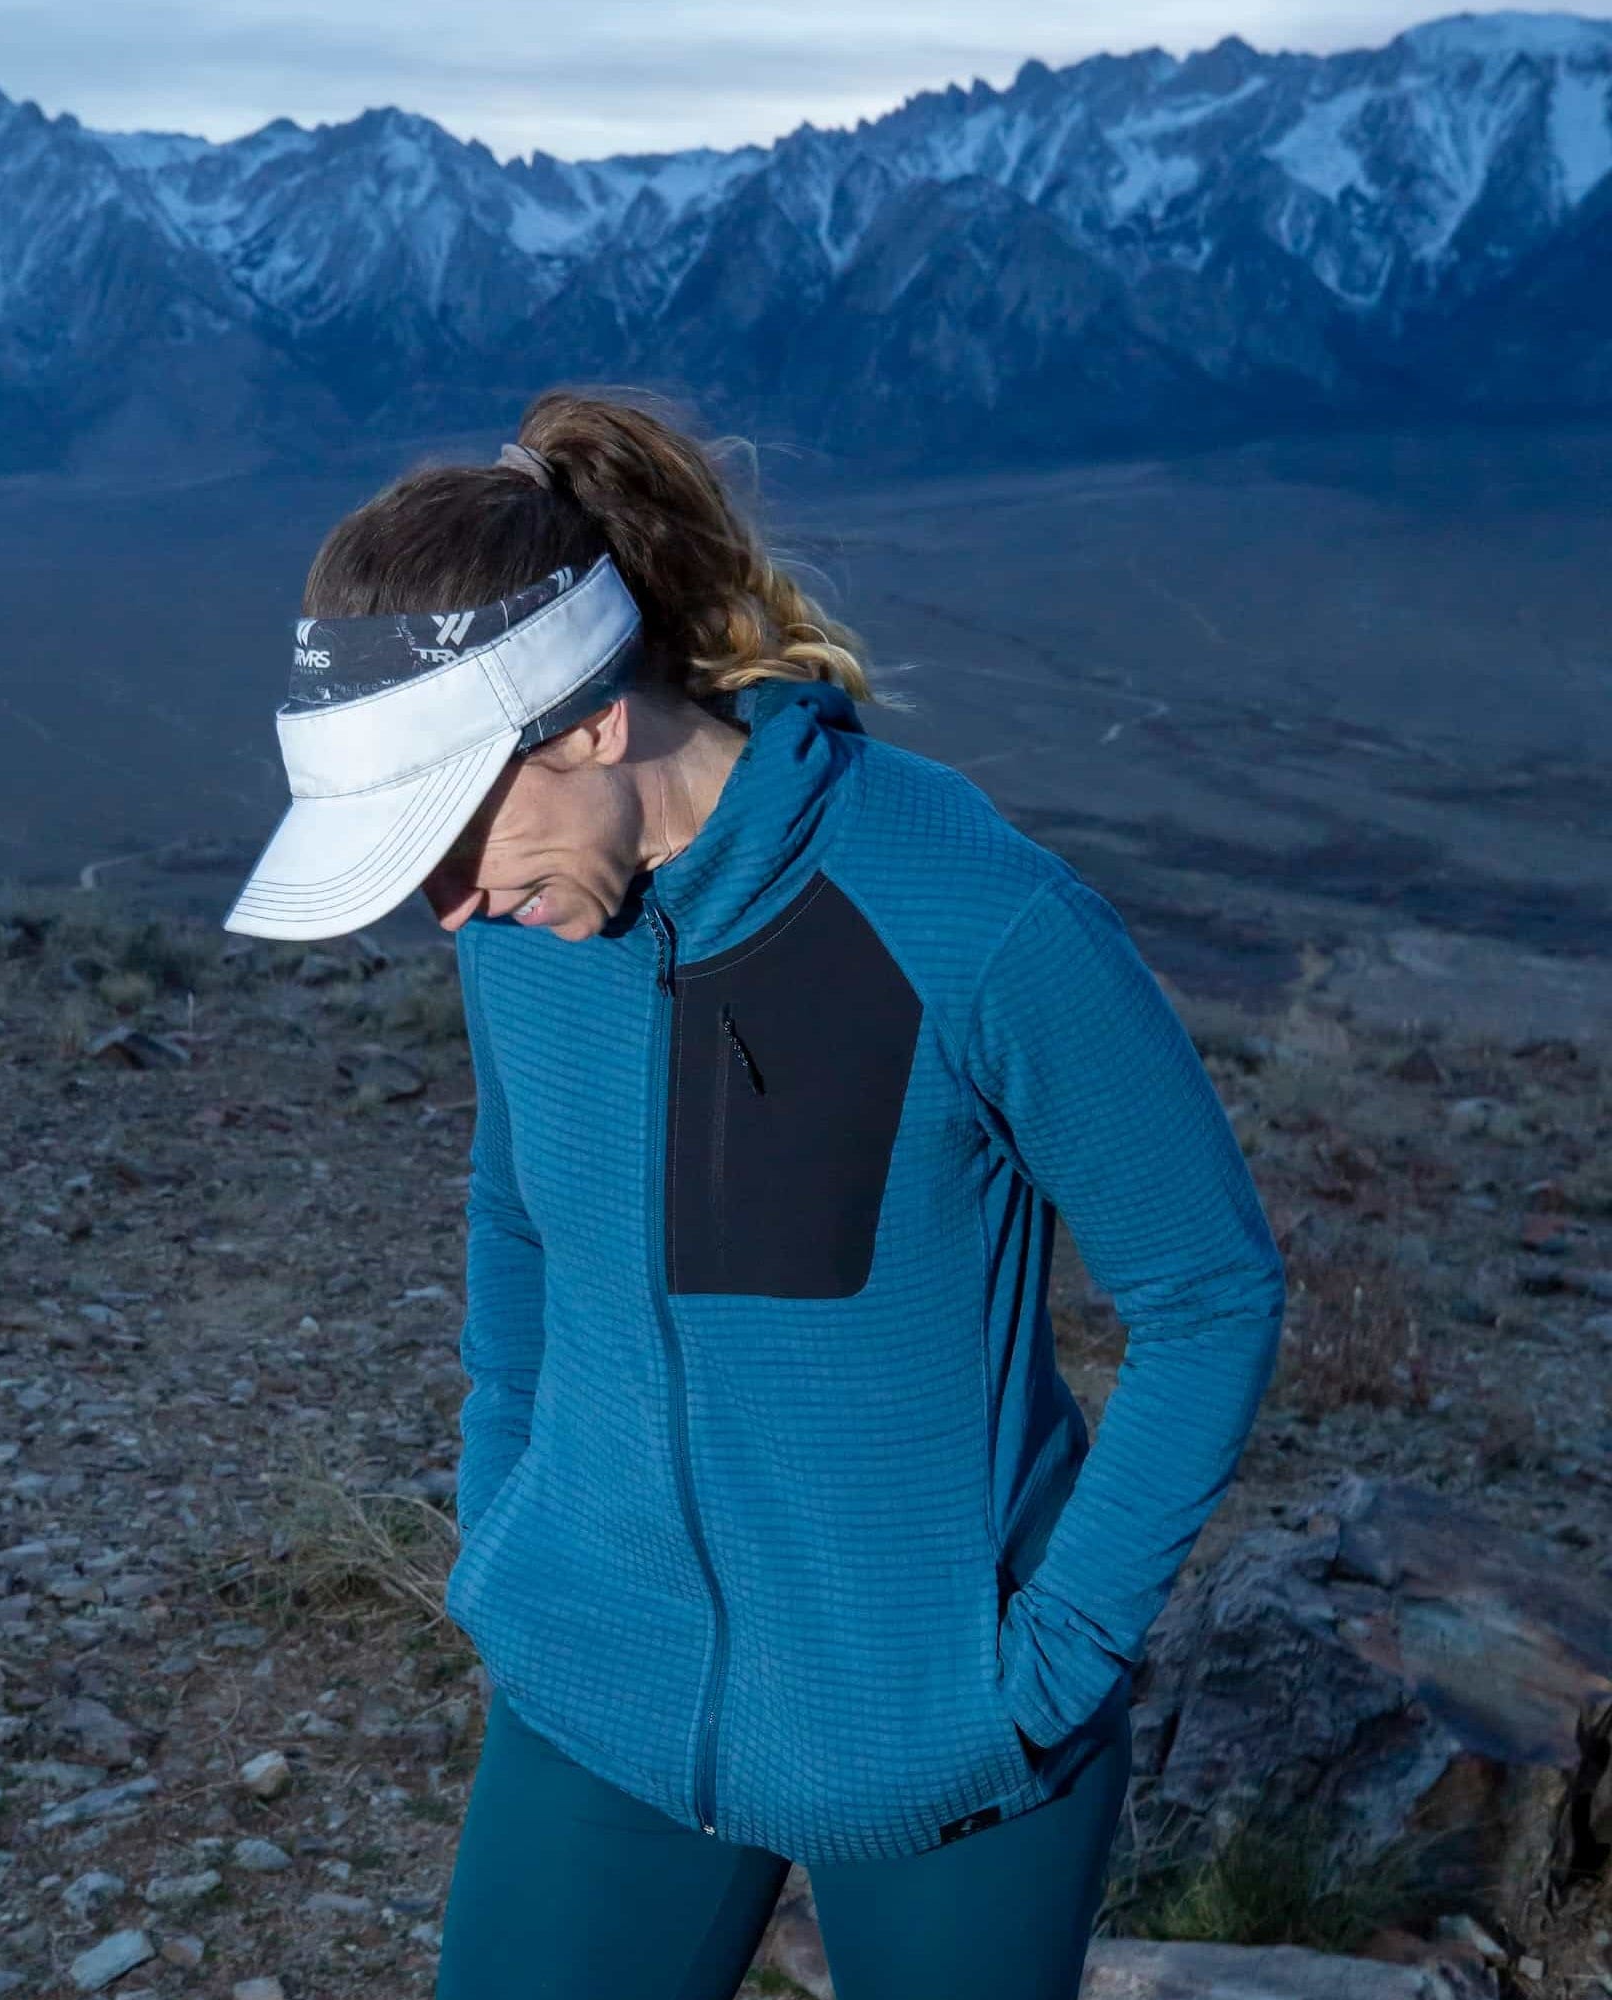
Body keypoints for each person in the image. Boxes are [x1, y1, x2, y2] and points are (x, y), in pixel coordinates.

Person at [221, 390, 1289, 2000]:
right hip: (596, 1682)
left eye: (446, 837)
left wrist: (1049, 1658)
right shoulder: (524, 923)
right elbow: (518, 1217)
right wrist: (506, 1523)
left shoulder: (973, 914)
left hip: (938, 1742)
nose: (444, 911)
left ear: (590, 724)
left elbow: (1211, 1298)